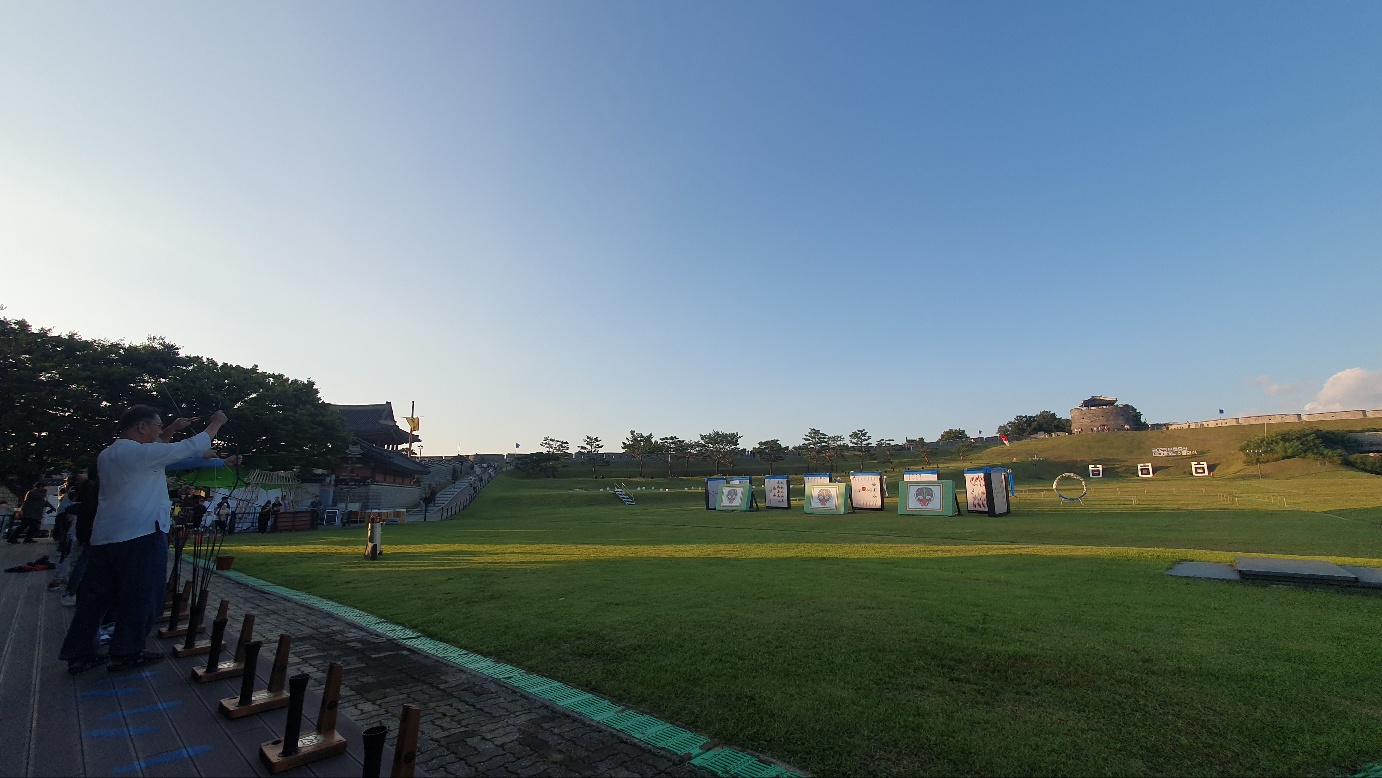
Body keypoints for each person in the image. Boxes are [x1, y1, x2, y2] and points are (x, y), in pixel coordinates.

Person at [59, 405, 228, 674]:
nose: (160, 431)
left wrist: (171, 429)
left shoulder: (108, 454)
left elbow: (158, 447)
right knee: (141, 595)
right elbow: (188, 447)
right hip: (141, 535)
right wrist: (216, 423)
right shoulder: (140, 454)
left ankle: (79, 653)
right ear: (141, 427)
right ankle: (126, 652)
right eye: (157, 426)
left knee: (94, 600)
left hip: (105, 538)